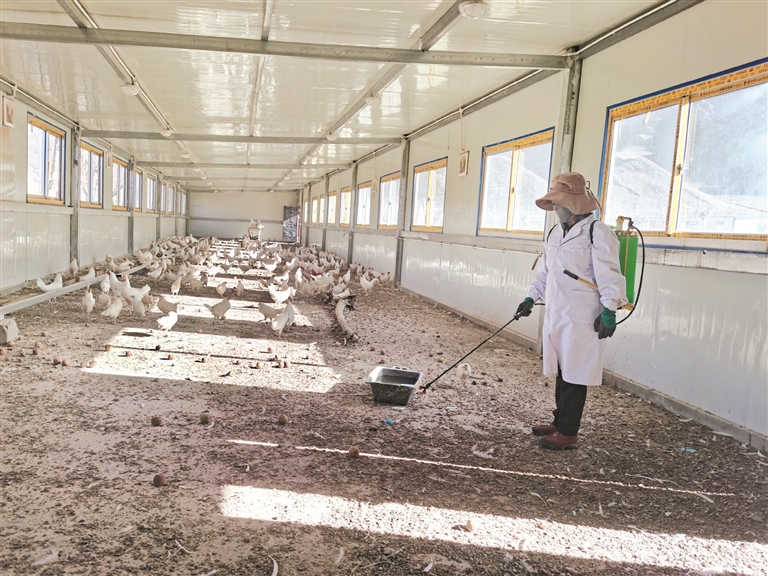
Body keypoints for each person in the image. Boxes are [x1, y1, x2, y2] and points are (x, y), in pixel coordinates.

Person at [516, 172, 627, 450]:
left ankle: (569, 432)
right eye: (554, 202)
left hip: (582, 315)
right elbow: (545, 272)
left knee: (575, 373)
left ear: (574, 203)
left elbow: (610, 274)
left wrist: (610, 309)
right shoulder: (556, 233)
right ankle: (560, 421)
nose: (555, 207)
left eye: (559, 202)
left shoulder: (597, 232)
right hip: (557, 312)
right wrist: (531, 297)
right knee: (562, 369)